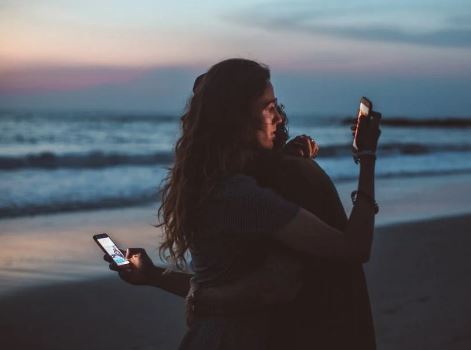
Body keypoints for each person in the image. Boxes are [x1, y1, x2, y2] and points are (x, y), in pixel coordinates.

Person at [106, 58, 380, 349]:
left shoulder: (207, 183)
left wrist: (153, 276)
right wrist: (367, 157)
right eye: (270, 108)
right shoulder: (241, 196)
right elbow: (352, 249)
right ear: (238, 117)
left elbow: (221, 289)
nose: (280, 118)